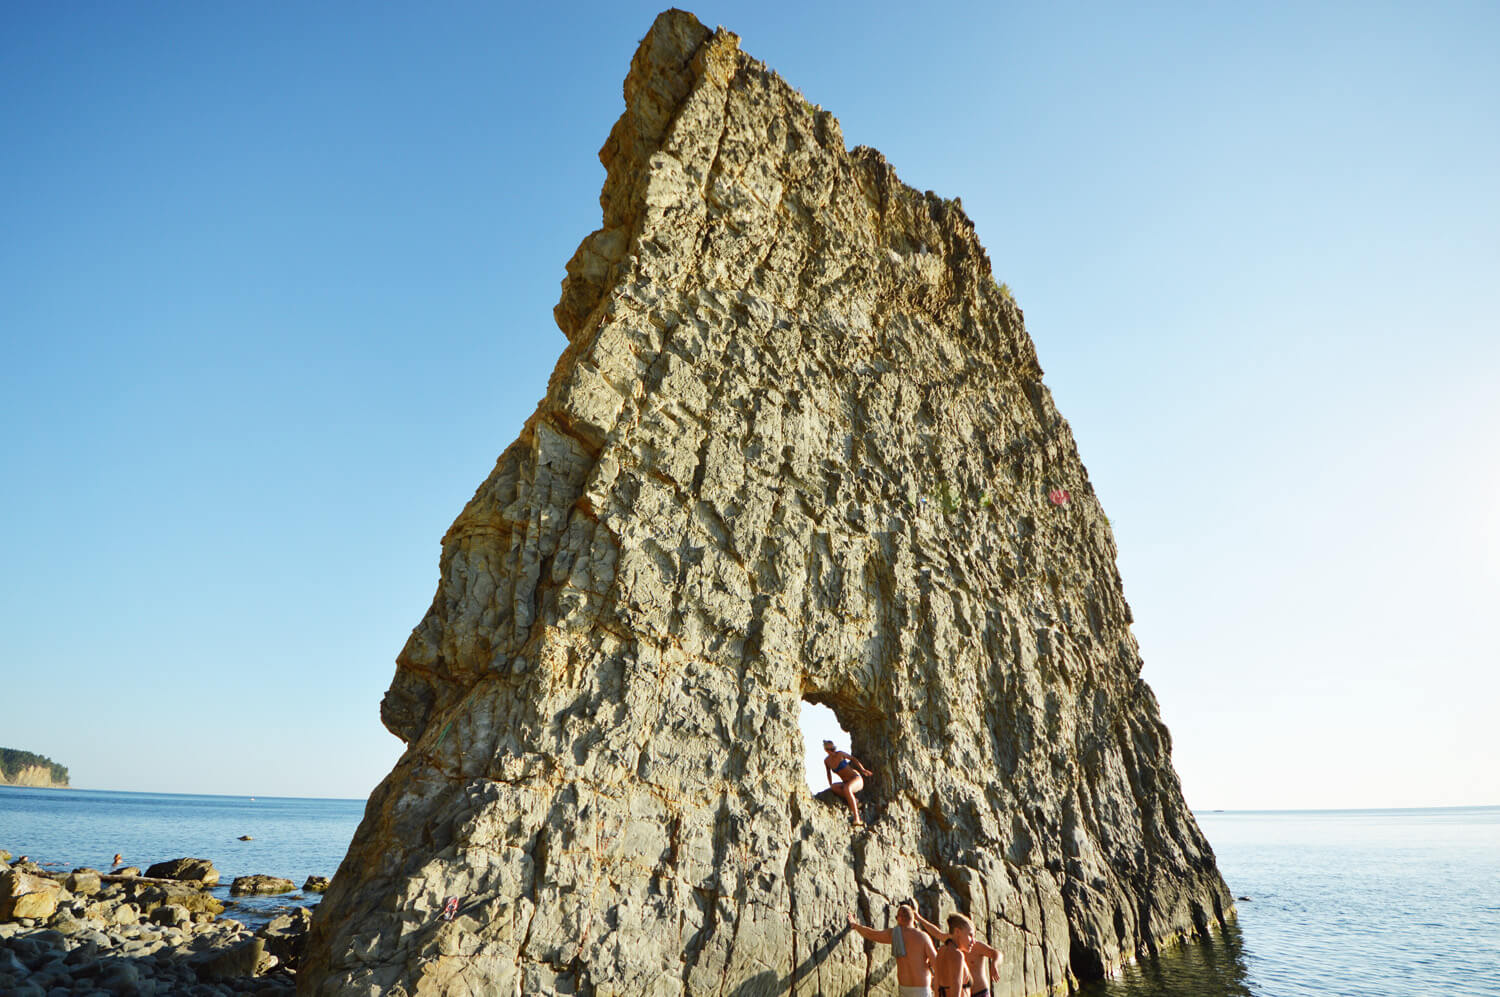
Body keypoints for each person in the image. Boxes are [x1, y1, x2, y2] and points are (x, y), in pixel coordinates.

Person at [847, 904, 937, 996]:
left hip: (904, 989)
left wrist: (855, 926)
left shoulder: (894, 934)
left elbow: (872, 934)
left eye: (896, 917)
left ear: (900, 918)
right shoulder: (923, 937)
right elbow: (937, 963)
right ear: (913, 918)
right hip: (922, 989)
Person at [913, 909, 1001, 997]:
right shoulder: (952, 948)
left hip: (980, 992)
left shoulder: (975, 946)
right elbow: (936, 933)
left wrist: (994, 963)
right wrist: (919, 919)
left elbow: (996, 953)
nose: (973, 940)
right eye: (970, 935)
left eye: (974, 935)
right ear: (957, 932)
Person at [822, 739, 873, 827]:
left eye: (834, 749)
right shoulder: (827, 761)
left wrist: (862, 769)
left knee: (847, 788)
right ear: (826, 751)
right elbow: (828, 773)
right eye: (831, 750)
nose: (833, 751)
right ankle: (855, 800)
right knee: (834, 787)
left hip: (856, 779)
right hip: (846, 782)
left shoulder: (840, 754)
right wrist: (830, 784)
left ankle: (857, 818)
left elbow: (853, 759)